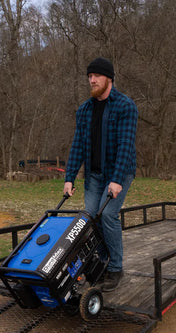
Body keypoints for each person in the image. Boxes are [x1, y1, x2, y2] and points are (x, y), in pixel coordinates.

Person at [63, 57, 138, 292]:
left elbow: (126, 146)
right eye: (89, 76)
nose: (91, 80)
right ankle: (103, 263)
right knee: (91, 218)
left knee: (108, 216)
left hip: (119, 173)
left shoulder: (125, 106)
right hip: (94, 175)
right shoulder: (84, 110)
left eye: (96, 76)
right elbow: (77, 145)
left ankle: (115, 268)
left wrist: (115, 181)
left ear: (109, 79)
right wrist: (69, 177)